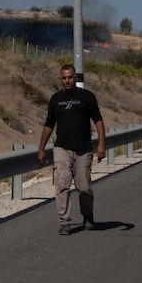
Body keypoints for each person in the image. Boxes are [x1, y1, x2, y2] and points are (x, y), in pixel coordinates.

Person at [38, 64, 108, 234]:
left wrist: (101, 145)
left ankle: (87, 214)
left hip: (83, 149)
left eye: (70, 77)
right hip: (62, 148)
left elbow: (98, 120)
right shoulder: (55, 99)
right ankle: (65, 222)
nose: (67, 81)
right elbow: (49, 124)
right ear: (61, 79)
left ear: (75, 78)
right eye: (64, 78)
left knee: (84, 187)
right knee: (62, 184)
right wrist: (41, 148)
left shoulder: (87, 97)